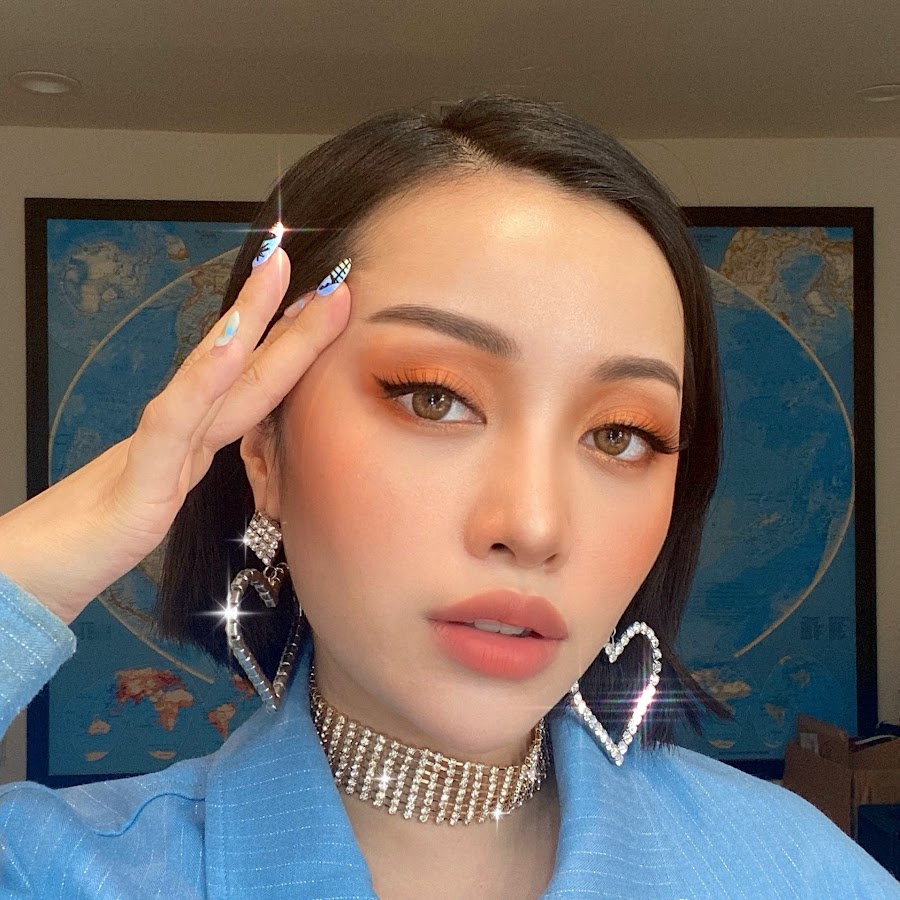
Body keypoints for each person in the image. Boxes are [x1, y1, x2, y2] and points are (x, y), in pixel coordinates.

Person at [0, 95, 894, 899]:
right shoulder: (55, 869)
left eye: (621, 434)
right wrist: (48, 550)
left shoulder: (800, 874)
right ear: (264, 446)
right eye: (434, 398)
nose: (533, 526)